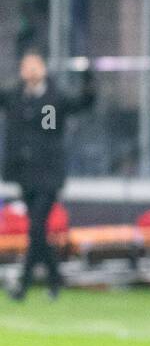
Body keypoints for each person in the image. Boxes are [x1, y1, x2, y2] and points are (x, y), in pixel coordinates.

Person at [1, 52, 95, 301]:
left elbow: (85, 102)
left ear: (43, 69)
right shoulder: (15, 98)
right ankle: (54, 279)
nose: (30, 72)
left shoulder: (55, 98)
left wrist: (87, 75)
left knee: (36, 228)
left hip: (48, 176)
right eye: (26, 67)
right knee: (38, 231)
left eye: (34, 66)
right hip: (24, 174)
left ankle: (22, 286)